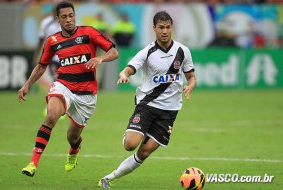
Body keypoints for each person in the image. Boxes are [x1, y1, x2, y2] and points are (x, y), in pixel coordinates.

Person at [18, 1, 118, 177]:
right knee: (51, 117)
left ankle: (74, 150)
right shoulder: (52, 41)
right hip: (63, 85)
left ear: (75, 16)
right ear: (57, 19)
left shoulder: (89, 32)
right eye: (64, 17)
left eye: (71, 16)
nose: (69, 20)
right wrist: (27, 84)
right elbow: (42, 66)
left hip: (87, 95)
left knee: (72, 137)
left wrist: (100, 59)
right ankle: (33, 163)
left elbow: (113, 52)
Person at [98, 11, 196, 188]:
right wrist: (124, 74)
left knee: (144, 152)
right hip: (148, 105)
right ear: (154, 28)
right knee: (130, 145)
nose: (164, 31)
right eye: (161, 27)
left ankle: (109, 178)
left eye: (167, 27)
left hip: (170, 112)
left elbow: (191, 76)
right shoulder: (147, 51)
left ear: (171, 28)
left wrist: (190, 85)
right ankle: (131, 133)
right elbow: (129, 68)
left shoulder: (183, 51)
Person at [33, 3, 61, 89]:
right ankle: (57, 96)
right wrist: (36, 55)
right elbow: (41, 40)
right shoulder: (46, 23)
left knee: (62, 79)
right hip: (51, 54)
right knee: (55, 76)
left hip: (64, 53)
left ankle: (60, 95)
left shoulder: (64, 22)